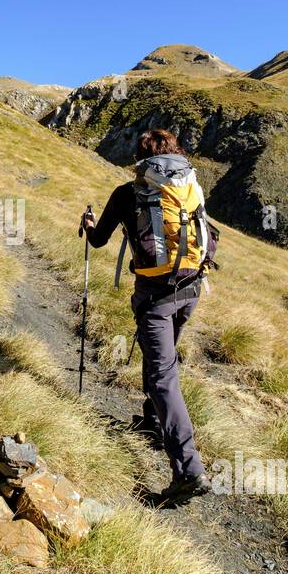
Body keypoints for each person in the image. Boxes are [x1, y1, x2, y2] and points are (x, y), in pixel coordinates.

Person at [80, 129, 214, 506]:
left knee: (161, 376)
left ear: (141, 159)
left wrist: (90, 225)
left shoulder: (127, 194)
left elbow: (99, 239)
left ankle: (188, 470)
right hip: (192, 289)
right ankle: (153, 422)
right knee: (164, 359)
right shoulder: (190, 187)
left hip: (155, 295)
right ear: (176, 154)